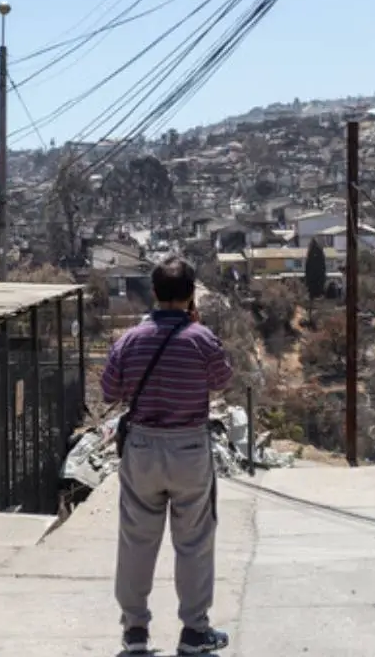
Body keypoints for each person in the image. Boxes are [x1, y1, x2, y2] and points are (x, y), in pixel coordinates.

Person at [101, 256, 233, 655]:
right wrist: (196, 327)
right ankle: (194, 631)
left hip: (142, 448)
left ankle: (135, 631)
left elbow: (109, 391)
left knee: (136, 540)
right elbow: (222, 380)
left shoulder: (130, 340)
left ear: (154, 293)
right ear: (191, 295)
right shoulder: (201, 339)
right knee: (193, 541)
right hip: (189, 448)